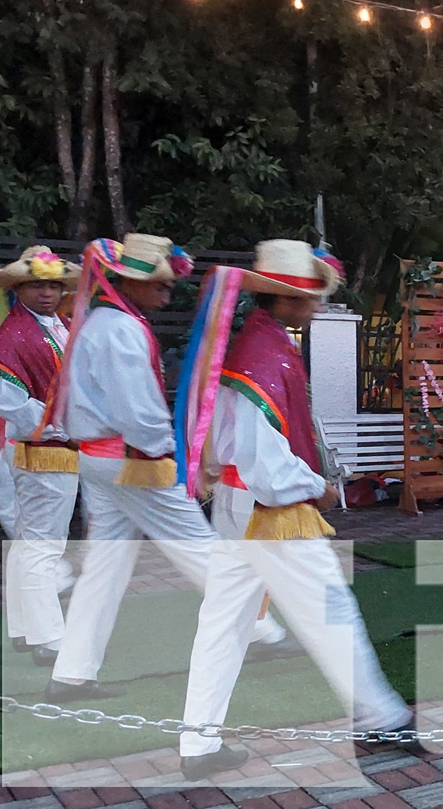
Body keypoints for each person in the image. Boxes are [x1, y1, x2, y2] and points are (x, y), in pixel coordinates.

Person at [174, 240, 412, 779]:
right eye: (312, 296)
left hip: (238, 506)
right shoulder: (265, 353)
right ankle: (381, 716)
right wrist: (317, 488)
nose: (318, 304)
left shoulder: (259, 344)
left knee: (223, 624)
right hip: (270, 509)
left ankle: (198, 742)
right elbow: (264, 459)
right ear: (286, 301)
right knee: (330, 611)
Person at [44, 235, 289, 703]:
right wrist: (176, 458)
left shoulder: (103, 322)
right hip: (134, 462)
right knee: (201, 549)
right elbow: (141, 414)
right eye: (158, 285)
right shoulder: (121, 330)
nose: (167, 293)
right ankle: (265, 634)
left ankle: (71, 673)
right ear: (128, 282)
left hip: (102, 460)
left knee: (104, 567)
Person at [0, 247, 81, 666]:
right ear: (18, 287)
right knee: (43, 545)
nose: (48, 292)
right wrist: (67, 432)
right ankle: (49, 638)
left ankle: (25, 628)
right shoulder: (13, 336)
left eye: (54, 284)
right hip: (44, 449)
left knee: (33, 542)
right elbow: (11, 404)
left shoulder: (56, 326)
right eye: (38, 284)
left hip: (50, 446)